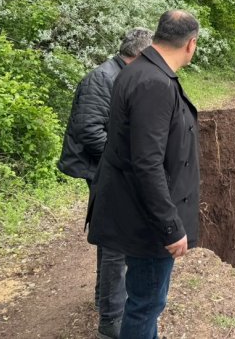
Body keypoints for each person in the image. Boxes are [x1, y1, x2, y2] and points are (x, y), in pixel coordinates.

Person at [87, 10, 200, 339]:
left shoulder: (137, 70)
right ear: (190, 44)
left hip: (133, 208)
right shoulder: (155, 83)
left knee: (144, 301)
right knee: (146, 304)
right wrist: (170, 226)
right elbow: (147, 163)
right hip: (146, 221)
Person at [58, 28, 153, 338]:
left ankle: (103, 299)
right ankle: (112, 321)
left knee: (111, 235)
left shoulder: (120, 75)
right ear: (138, 54)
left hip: (110, 168)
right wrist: (124, 161)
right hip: (105, 169)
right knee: (117, 241)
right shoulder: (102, 78)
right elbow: (89, 131)